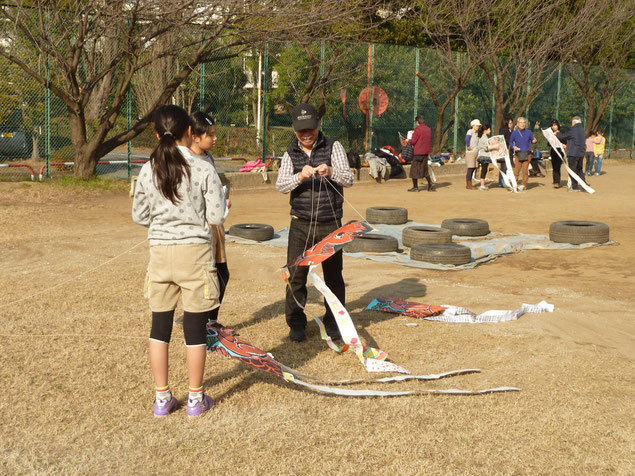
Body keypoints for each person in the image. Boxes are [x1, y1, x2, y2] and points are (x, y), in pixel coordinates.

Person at [132, 105, 226, 418]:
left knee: (159, 328)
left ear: (156, 134)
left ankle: (162, 399)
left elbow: (139, 215)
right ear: (189, 131)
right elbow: (215, 216)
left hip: (160, 254)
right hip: (195, 255)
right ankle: (196, 400)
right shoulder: (203, 168)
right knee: (195, 330)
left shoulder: (148, 168)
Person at [275, 103, 354, 342]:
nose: (306, 134)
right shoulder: (290, 153)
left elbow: (349, 179)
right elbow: (281, 185)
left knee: (333, 276)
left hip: (330, 223)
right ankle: (296, 323)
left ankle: (333, 322)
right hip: (301, 224)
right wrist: (300, 176)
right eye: (301, 130)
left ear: (319, 126)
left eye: (310, 128)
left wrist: (330, 171)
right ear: (294, 130)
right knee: (296, 275)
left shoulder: (333, 146)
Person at [189, 111, 231, 329]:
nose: (215, 138)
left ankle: (209, 320)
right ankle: (199, 320)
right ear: (195, 136)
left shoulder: (208, 157)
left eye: (215, 133)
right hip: (200, 229)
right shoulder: (187, 161)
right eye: (210, 134)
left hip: (216, 226)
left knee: (221, 273)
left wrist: (222, 202)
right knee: (207, 275)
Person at [556, 116, 586, 192]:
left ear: (574, 122)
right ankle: (584, 184)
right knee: (579, 169)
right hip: (581, 153)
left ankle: (574, 187)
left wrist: (557, 133)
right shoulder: (582, 130)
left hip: (573, 153)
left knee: (572, 170)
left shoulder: (573, 130)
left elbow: (563, 136)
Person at [510, 116, 537, 191]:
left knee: (525, 170)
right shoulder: (514, 133)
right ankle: (514, 183)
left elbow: (533, 140)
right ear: (517, 124)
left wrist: (534, 140)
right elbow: (510, 142)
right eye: (521, 123)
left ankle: (524, 184)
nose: (522, 124)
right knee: (516, 170)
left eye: (524, 122)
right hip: (518, 154)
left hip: (527, 154)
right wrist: (513, 147)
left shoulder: (529, 132)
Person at [408, 114, 434, 192]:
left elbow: (413, 141)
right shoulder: (428, 129)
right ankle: (430, 183)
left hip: (418, 152)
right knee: (424, 169)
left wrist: (409, 140)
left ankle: (415, 187)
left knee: (414, 169)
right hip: (425, 152)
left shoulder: (418, 129)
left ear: (417, 121)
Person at [475, 123, 500, 191]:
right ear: (485, 130)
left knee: (484, 169)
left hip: (484, 156)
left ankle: (482, 184)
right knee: (484, 170)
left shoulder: (483, 137)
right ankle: (482, 185)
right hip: (484, 156)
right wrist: (495, 147)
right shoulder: (484, 137)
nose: (490, 131)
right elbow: (486, 148)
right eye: (489, 129)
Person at [498, 117, 514, 188]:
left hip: (506, 150)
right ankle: (503, 182)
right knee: (504, 167)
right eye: (510, 123)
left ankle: (501, 182)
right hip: (505, 150)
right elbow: (504, 140)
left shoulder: (507, 130)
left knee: (504, 167)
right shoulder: (505, 130)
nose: (511, 124)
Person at [465, 119, 481, 190]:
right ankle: (469, 184)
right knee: (470, 168)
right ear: (473, 125)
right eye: (477, 125)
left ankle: (469, 183)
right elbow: (467, 139)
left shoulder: (477, 133)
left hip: (475, 152)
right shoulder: (470, 131)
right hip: (470, 153)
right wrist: (468, 146)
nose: (478, 126)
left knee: (474, 167)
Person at [549, 119, 565, 188]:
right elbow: (548, 144)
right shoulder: (550, 134)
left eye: (555, 125)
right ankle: (555, 180)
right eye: (552, 125)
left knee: (557, 166)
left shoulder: (562, 133)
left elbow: (565, 142)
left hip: (560, 151)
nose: (554, 127)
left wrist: (563, 145)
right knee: (554, 166)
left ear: (558, 125)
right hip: (553, 151)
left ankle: (557, 182)